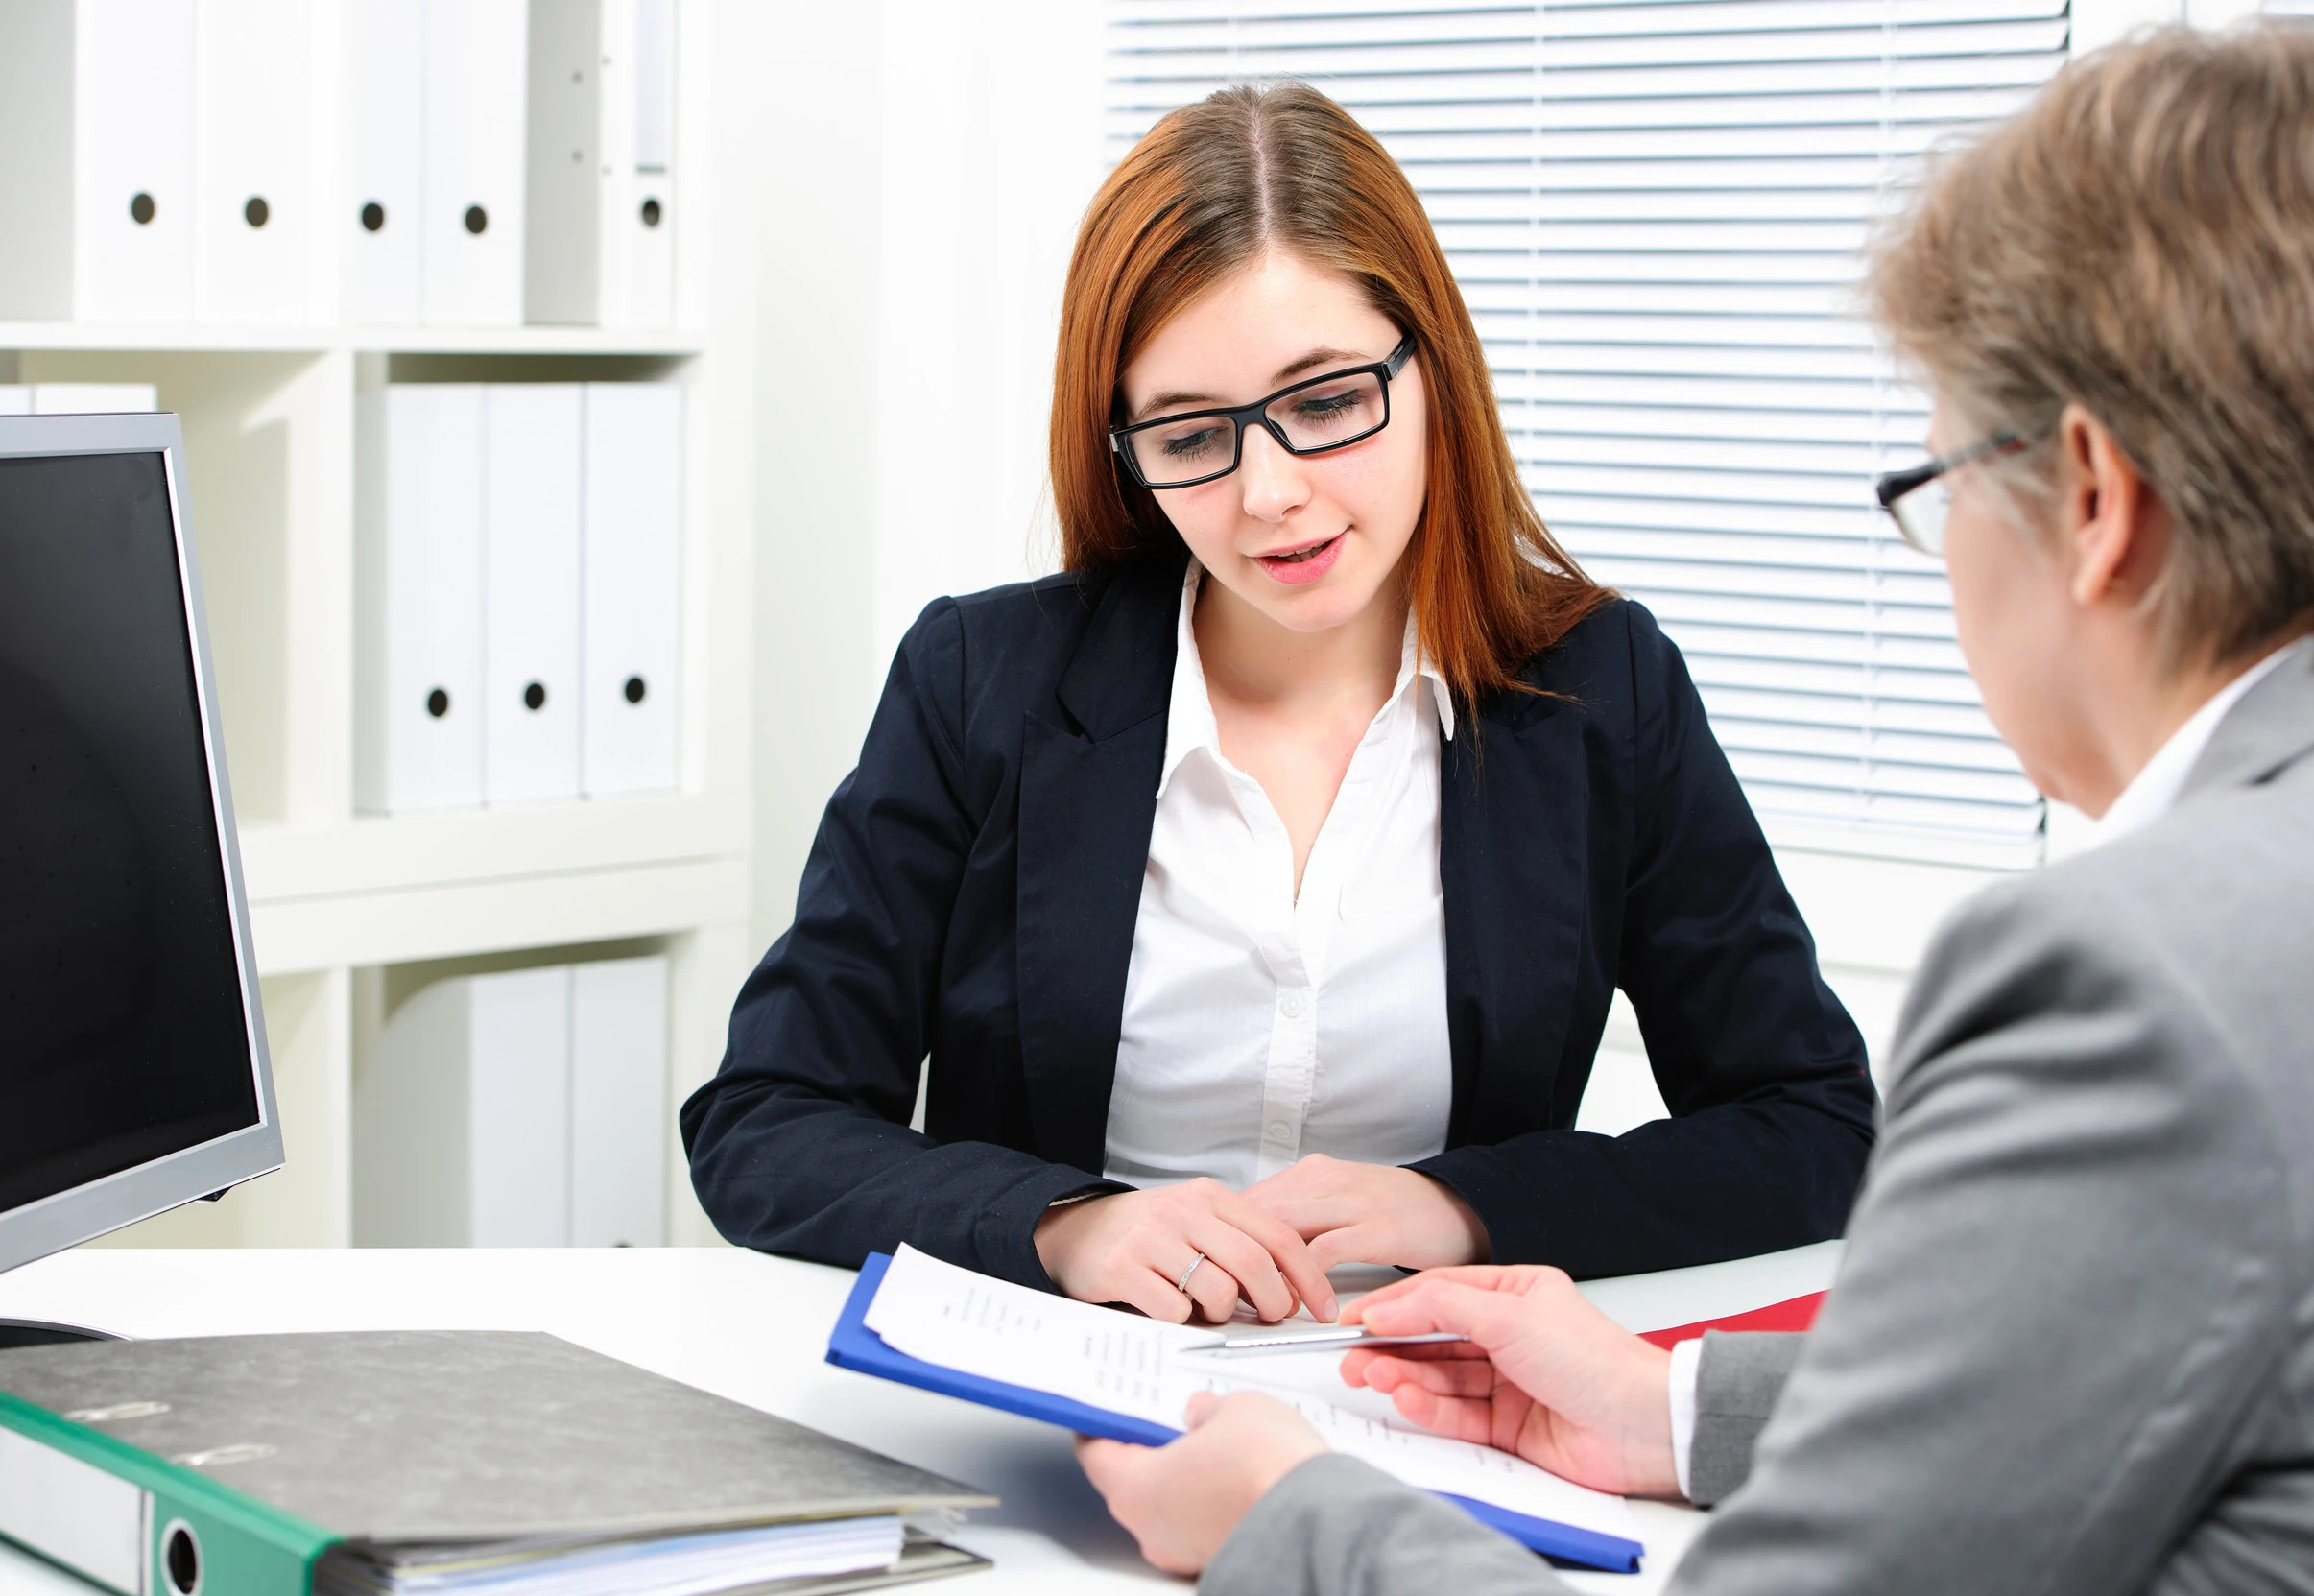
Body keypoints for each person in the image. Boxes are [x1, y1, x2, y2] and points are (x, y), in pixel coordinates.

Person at [1074, 23, 2314, 1596]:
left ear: (2097, 504)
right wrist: (1678, 1409)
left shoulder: (2139, 976)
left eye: (1940, 484)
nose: (1270, 490)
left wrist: (1286, 1523)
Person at [681, 82, 1876, 1323]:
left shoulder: (1598, 689)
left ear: (1431, 373)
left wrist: (1467, 1208)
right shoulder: (983, 682)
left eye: (1324, 404)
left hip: (1427, 1408)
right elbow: (764, 1124)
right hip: (1065, 1405)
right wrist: (1066, 1227)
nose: (1269, 494)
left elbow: (1813, 1124)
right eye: (1192, 433)